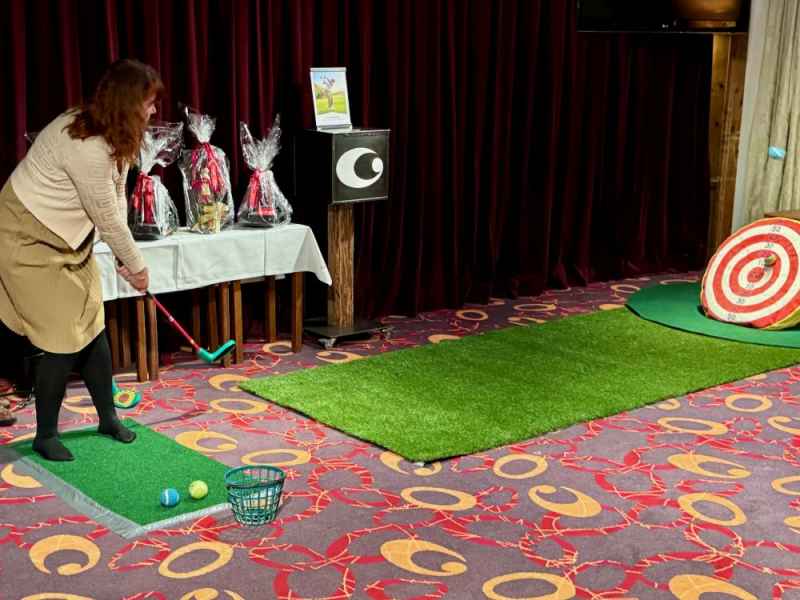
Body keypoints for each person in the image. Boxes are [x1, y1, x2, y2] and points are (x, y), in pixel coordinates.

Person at [0, 59, 162, 460]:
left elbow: (115, 195)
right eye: (149, 102)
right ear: (128, 103)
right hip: (26, 237)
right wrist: (138, 268)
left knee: (92, 325)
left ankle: (108, 418)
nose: (154, 109)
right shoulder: (87, 144)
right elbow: (106, 216)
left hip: (66, 237)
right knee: (61, 338)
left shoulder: (115, 134)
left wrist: (124, 255)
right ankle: (45, 435)